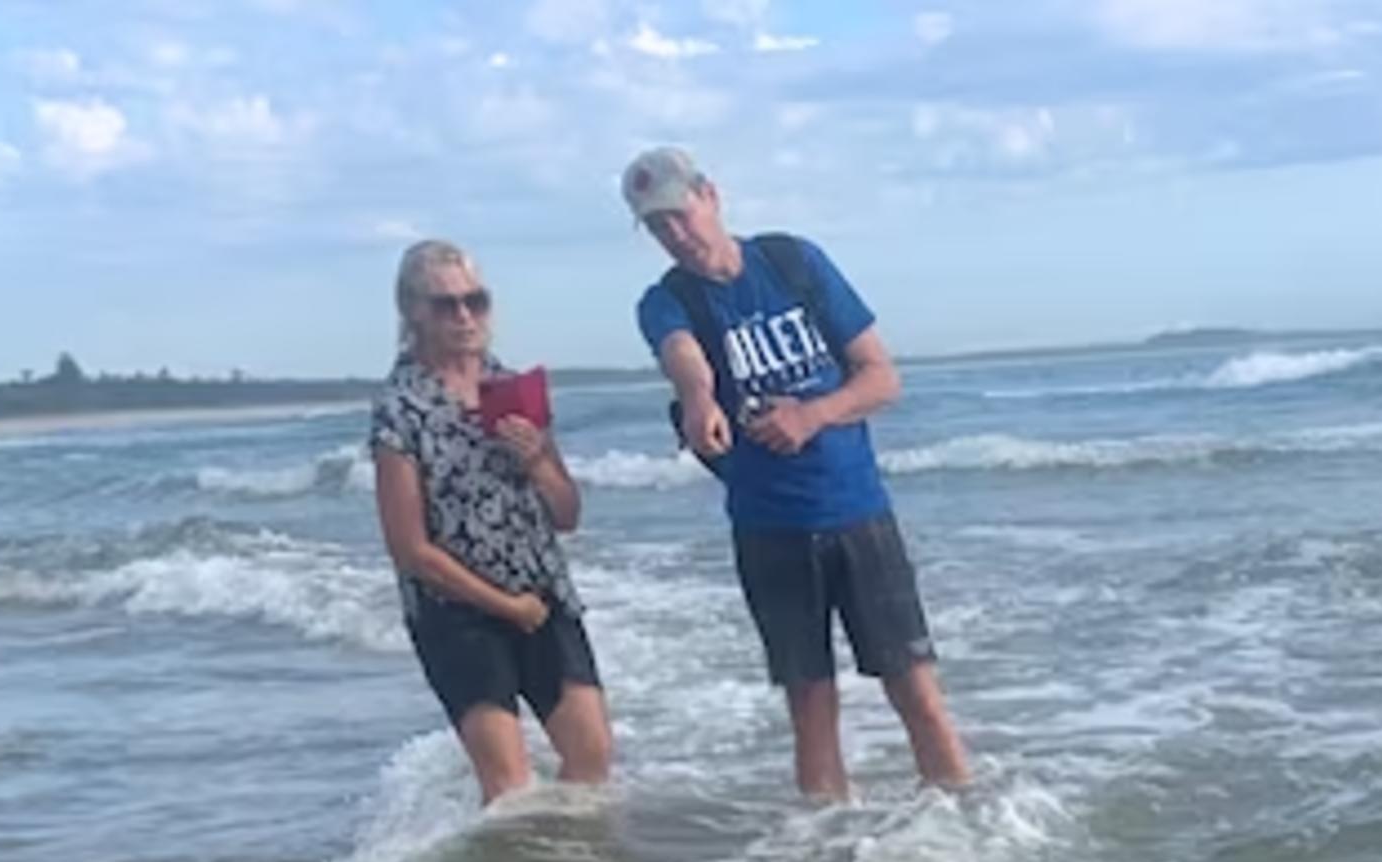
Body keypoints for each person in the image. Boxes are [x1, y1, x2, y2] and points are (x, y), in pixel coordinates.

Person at [623, 146, 973, 800]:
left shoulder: (792, 262)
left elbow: (881, 377)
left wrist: (811, 417)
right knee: (810, 708)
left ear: (711, 196)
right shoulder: (665, 302)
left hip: (857, 511)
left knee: (916, 689)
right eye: (656, 226)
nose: (675, 234)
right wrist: (700, 401)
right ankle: (824, 854)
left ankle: (970, 828)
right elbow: (685, 359)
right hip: (769, 529)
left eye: (679, 214)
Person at [369, 240, 611, 805]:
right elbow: (410, 550)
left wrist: (538, 463)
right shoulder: (401, 410)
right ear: (413, 312)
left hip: (542, 596)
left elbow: (568, 514)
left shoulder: (513, 390)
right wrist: (505, 607)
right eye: (445, 304)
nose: (463, 317)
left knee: (592, 758)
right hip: (458, 614)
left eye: (475, 301)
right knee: (509, 789)